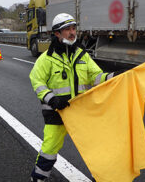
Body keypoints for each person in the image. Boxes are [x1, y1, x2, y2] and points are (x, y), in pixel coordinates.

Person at [29, 13, 123, 182]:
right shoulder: (46, 59)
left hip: (81, 111)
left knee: (94, 146)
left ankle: (102, 177)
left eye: (74, 28)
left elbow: (96, 76)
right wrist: (52, 99)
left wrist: (114, 77)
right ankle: (38, 178)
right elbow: (37, 81)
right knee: (49, 149)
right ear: (57, 34)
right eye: (67, 30)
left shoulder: (82, 55)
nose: (72, 32)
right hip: (56, 111)